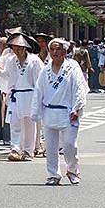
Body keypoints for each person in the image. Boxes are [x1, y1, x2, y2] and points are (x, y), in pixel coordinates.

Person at [31, 38, 89, 186]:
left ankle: (73, 170)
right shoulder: (46, 70)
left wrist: (76, 107)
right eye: (52, 49)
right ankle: (53, 174)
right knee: (50, 147)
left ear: (64, 51)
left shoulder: (72, 67)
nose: (55, 52)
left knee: (70, 144)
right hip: (50, 112)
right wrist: (36, 112)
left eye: (58, 49)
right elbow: (39, 91)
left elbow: (79, 88)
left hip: (68, 112)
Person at [0, 33, 44, 161]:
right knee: (15, 124)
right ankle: (15, 149)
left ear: (25, 47)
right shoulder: (11, 60)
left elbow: (40, 81)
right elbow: (7, 76)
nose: (17, 50)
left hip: (30, 95)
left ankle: (28, 150)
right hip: (16, 95)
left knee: (29, 125)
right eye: (15, 48)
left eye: (20, 48)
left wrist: (39, 98)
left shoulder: (34, 61)